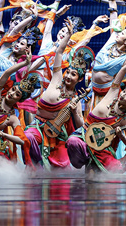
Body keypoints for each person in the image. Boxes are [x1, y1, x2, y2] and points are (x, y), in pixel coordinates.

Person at [66, 52, 126, 172]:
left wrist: (122, 137)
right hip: (84, 136)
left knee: (116, 169)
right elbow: (123, 70)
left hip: (101, 147)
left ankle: (95, 165)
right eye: (124, 92)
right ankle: (89, 161)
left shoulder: (125, 119)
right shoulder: (112, 94)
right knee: (72, 142)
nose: (123, 95)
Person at [25, 19, 89, 169]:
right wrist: (69, 35)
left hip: (57, 133)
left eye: (73, 74)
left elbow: (80, 125)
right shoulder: (57, 79)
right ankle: (35, 166)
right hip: (38, 126)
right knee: (27, 137)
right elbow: (59, 51)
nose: (68, 76)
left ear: (79, 79)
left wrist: (75, 112)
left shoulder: (75, 99)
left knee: (62, 167)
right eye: (68, 72)